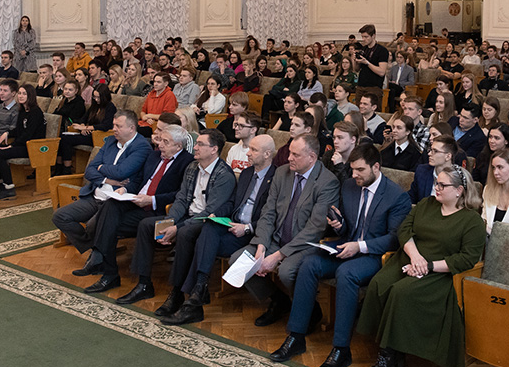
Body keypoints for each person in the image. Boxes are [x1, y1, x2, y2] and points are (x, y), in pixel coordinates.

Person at [268, 143, 411, 367]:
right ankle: (296, 336)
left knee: (346, 274)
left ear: (376, 167)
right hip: (346, 246)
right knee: (310, 263)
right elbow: (347, 228)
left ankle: (341, 349)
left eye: (360, 170)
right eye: (352, 169)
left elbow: (394, 239)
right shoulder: (349, 187)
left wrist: (360, 246)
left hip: (374, 255)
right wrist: (339, 224)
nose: (354, 175)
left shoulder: (397, 196)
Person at [356, 163, 486, 367]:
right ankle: (396, 350)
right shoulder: (426, 204)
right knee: (379, 284)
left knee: (400, 292)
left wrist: (427, 266)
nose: (436, 187)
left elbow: (466, 259)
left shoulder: (472, 221)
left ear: (459, 191)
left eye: (442, 185)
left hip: (439, 272)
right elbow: (404, 230)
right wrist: (415, 258)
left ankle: (385, 358)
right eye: (436, 182)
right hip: (409, 259)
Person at [108, 129, 237, 311]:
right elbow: (182, 199)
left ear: (214, 149)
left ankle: (176, 292)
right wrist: (169, 223)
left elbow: (211, 211)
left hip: (206, 222)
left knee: (184, 232)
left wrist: (177, 228)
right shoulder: (193, 167)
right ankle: (144, 284)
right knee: (146, 225)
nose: (196, 147)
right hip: (186, 216)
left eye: (200, 144)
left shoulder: (224, 175)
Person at [163, 134, 278, 326]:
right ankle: (197, 293)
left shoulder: (276, 178)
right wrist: (216, 213)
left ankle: (195, 299)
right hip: (233, 228)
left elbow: (273, 217)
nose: (248, 153)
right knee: (207, 228)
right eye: (249, 149)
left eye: (253, 150)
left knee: (202, 241)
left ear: (267, 154)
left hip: (254, 234)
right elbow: (233, 203)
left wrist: (248, 227)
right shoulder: (248, 173)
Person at [239, 135, 340, 326]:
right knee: (240, 260)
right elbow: (268, 212)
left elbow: (315, 229)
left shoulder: (327, 182)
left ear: (312, 156)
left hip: (304, 244)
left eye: (295, 154)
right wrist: (261, 243)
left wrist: (277, 256)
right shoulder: (282, 173)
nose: (288, 158)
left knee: (286, 271)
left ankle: (310, 310)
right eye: (289, 153)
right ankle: (279, 300)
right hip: (276, 238)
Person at [50, 111, 154, 274]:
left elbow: (121, 171)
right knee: (60, 216)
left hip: (114, 202)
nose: (114, 129)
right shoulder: (111, 141)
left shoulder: (142, 146)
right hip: (95, 194)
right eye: (114, 125)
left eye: (118, 126)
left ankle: (98, 256)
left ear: (132, 128)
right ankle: (95, 248)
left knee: (93, 225)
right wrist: (106, 179)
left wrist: (101, 168)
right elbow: (89, 170)